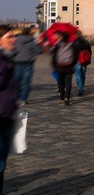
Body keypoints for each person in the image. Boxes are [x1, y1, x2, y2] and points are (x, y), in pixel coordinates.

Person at [0, 26, 18, 195]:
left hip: (6, 116)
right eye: (9, 36)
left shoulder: (7, 58)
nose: (14, 39)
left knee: (2, 161)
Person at [11, 26, 40, 106]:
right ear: (29, 33)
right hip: (28, 63)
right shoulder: (32, 41)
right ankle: (23, 99)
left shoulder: (16, 41)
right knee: (26, 82)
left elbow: (12, 50)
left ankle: (17, 98)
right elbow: (38, 51)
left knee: (17, 82)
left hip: (17, 62)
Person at [51, 30, 79, 105]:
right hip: (69, 67)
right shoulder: (71, 45)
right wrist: (72, 64)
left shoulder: (57, 45)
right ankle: (67, 98)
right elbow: (75, 57)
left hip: (60, 67)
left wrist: (55, 66)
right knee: (68, 83)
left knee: (60, 83)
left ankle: (62, 98)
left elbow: (54, 57)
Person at [74, 31, 93, 97]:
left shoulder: (74, 42)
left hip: (77, 60)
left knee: (78, 75)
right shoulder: (86, 42)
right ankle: (81, 87)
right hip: (85, 61)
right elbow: (90, 51)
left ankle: (80, 89)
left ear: (76, 35)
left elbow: (73, 52)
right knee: (83, 74)